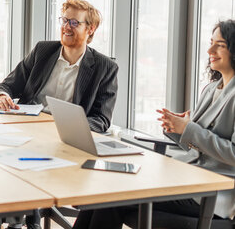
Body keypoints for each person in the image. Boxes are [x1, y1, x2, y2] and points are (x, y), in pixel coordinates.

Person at [73, 20, 235, 228]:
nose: (210, 49)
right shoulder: (213, 88)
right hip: (189, 175)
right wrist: (177, 129)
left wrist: (189, 129)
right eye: (211, 42)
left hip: (212, 191)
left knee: (112, 196)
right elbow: (198, 147)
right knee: (107, 191)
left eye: (219, 44)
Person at [0, 0, 118, 133]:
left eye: (74, 23)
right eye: (64, 20)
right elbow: (8, 85)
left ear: (91, 29)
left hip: (65, 134)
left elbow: (101, 119)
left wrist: (69, 126)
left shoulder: (105, 67)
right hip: (26, 127)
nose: (67, 27)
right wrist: (1, 96)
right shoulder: (43, 50)